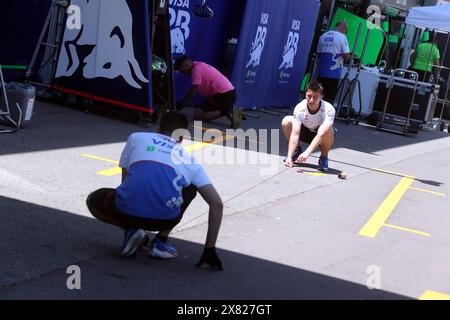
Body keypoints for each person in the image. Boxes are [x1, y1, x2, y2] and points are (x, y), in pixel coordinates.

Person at [86, 111, 224, 270]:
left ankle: (132, 231)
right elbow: (217, 204)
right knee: (190, 186)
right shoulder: (190, 161)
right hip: (164, 219)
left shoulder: (136, 138)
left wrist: (129, 214)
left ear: (158, 130)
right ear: (181, 137)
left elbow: (126, 180)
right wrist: (209, 249)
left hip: (125, 210)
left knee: (93, 199)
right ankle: (161, 242)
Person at [174, 55, 243, 129]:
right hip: (224, 94)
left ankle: (227, 111)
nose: (182, 73)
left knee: (197, 116)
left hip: (225, 95)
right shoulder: (198, 65)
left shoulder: (196, 69)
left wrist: (178, 107)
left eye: (181, 70)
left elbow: (192, 93)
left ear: (187, 65)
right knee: (202, 111)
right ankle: (228, 110)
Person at [281, 81, 335, 172]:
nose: (311, 100)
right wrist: (289, 157)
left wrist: (307, 153)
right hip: (305, 131)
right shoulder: (300, 107)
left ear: (321, 97)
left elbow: (321, 134)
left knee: (328, 130)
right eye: (309, 96)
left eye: (315, 97)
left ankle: (324, 156)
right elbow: (295, 133)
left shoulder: (329, 109)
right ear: (305, 94)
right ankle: (296, 151)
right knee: (286, 121)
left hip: (321, 135)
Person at [316, 21, 352, 107]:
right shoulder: (342, 37)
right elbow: (345, 55)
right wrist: (351, 57)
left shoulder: (323, 36)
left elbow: (318, 52)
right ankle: (326, 117)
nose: (345, 32)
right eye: (346, 31)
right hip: (333, 73)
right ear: (343, 28)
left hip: (321, 70)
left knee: (319, 95)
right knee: (329, 98)